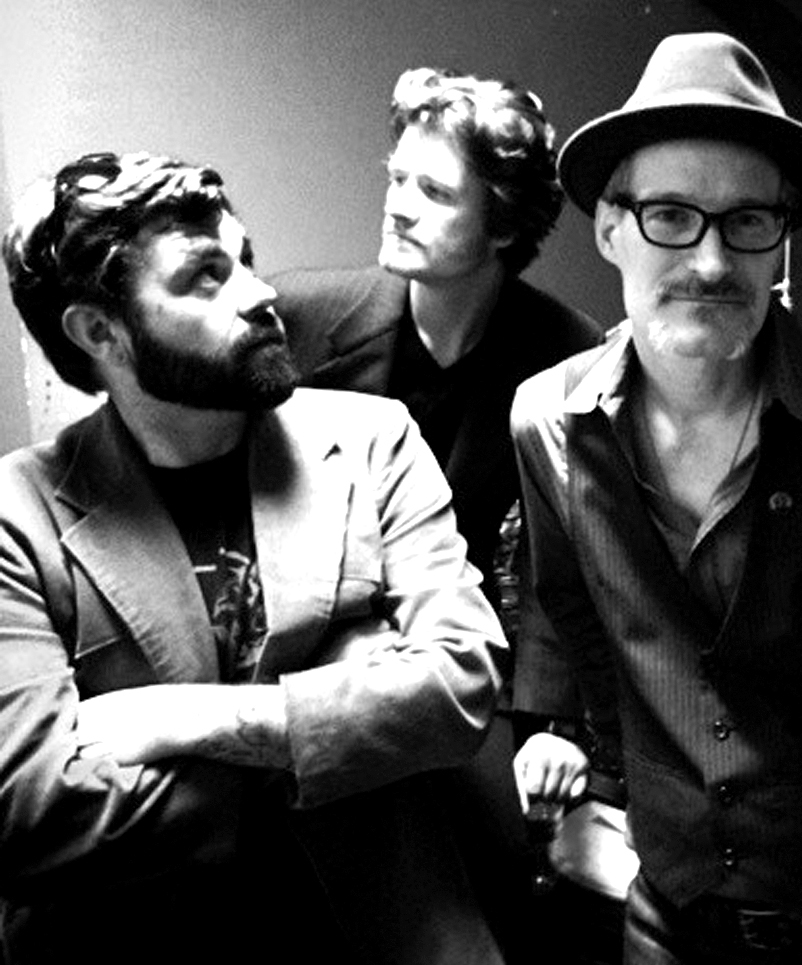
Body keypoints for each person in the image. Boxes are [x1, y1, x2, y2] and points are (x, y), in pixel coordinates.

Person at [510, 32, 802, 965]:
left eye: (748, 219)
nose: (713, 260)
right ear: (609, 229)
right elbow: (581, 632)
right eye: (671, 214)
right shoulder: (548, 420)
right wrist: (611, 790)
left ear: (780, 239)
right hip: (659, 913)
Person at [0, 151, 507, 965]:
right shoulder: (17, 514)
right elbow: (31, 808)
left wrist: (181, 719)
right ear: (99, 332)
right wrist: (350, 717)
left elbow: (463, 681)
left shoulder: (373, 440)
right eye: (205, 276)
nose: (260, 292)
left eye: (245, 258)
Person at [270, 66, 603, 964]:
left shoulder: (567, 357)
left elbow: (571, 555)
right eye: (397, 178)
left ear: (503, 226)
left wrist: (555, 723)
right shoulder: (301, 318)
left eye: (435, 191)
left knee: (510, 873)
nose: (398, 205)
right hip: (320, 652)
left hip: (473, 666)